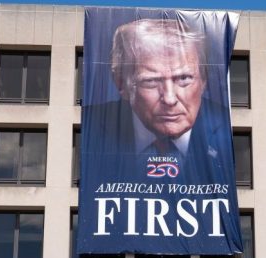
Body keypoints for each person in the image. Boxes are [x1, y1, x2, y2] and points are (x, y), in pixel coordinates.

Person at [85, 17, 232, 178]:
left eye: (183, 78)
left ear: (203, 81)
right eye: (151, 81)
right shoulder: (89, 127)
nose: (169, 99)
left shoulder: (227, 128)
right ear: (121, 84)